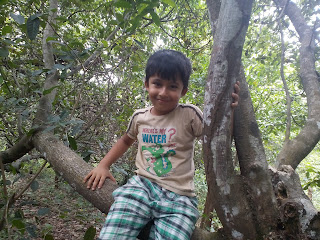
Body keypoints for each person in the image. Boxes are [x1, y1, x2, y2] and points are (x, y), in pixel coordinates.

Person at [84, 49, 240, 240]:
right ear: (146, 85)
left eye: (172, 86)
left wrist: (228, 112)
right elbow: (126, 139)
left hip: (180, 198)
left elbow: (219, 141)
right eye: (157, 84)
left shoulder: (190, 114)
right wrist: (103, 165)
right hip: (142, 187)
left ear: (183, 91)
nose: (163, 93)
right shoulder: (140, 117)